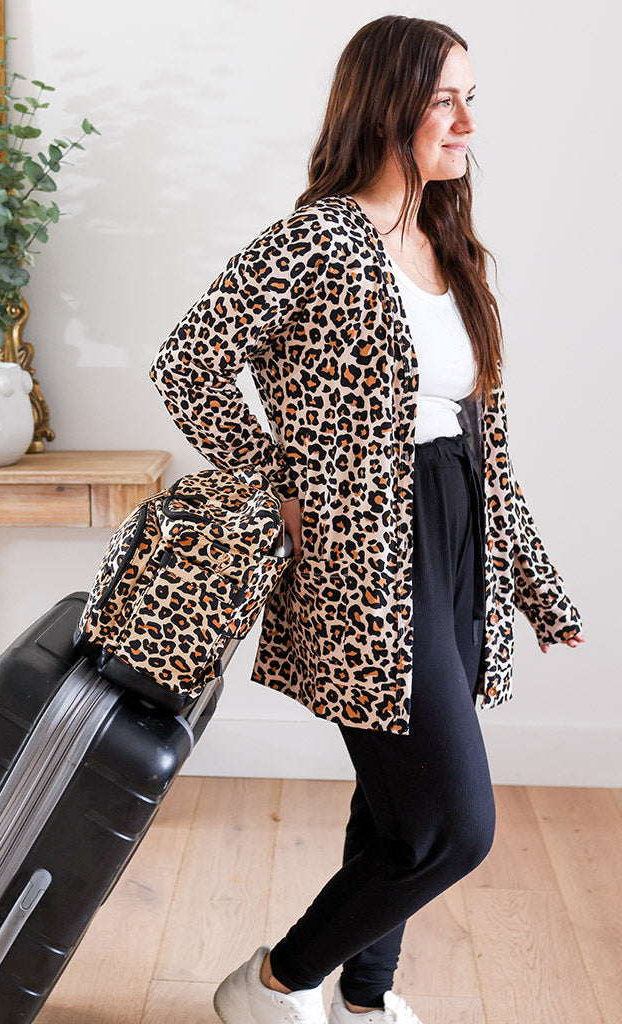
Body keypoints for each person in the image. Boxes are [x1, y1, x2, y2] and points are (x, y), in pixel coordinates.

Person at [149, 14, 586, 1024]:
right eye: (446, 98)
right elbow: (187, 366)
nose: (467, 121)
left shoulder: (447, 244)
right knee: (455, 825)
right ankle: (270, 983)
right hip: (364, 565)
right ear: (386, 103)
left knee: (394, 806)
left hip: (454, 541)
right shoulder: (314, 239)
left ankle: (364, 995)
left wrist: (536, 589)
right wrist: (277, 479)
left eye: (472, 97)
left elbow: (488, 454)